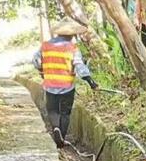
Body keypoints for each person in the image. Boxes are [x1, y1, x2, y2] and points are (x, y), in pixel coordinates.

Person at [31, 18, 98, 147]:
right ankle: (61, 136)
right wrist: (90, 81)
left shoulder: (45, 46)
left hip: (50, 84)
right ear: (72, 35)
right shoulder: (72, 48)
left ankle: (55, 128)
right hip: (67, 86)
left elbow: (36, 61)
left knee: (53, 110)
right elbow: (79, 66)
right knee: (65, 112)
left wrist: (41, 69)